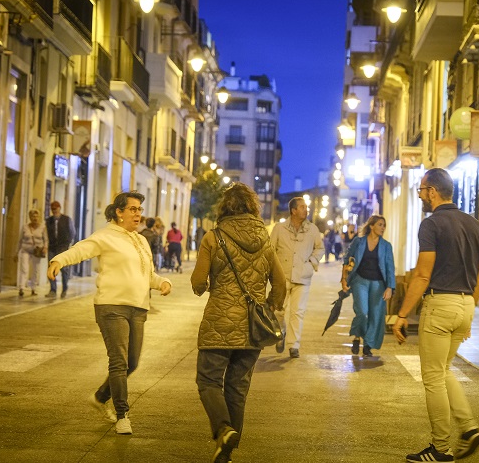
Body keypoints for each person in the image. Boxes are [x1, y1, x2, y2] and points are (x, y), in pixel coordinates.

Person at [47, 192, 172, 435]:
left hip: (138, 307)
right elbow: (80, 249)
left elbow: (148, 275)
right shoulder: (106, 236)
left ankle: (100, 396)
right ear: (119, 212)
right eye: (133, 209)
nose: (138, 214)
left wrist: (162, 282)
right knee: (119, 361)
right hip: (111, 306)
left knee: (132, 363)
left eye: (139, 209)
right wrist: (58, 261)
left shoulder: (141, 241)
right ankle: (122, 414)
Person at [393, 168, 479, 462]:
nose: (420, 195)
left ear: (433, 191)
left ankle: (441, 448)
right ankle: (469, 429)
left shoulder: (431, 225)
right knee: (444, 370)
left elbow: (422, 275)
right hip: (465, 304)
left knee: (433, 378)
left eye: (421, 190)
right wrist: (469, 310)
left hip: (440, 305)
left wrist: (402, 314)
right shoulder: (476, 226)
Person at [191, 183, 287, 463]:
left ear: (224, 208)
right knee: (237, 387)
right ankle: (226, 453)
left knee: (208, 380)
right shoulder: (265, 240)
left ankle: (223, 429)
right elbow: (279, 283)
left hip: (218, 323)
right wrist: (269, 305)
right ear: (252, 207)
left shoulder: (214, 236)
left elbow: (199, 282)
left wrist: (205, 288)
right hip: (253, 328)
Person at [270, 197, 324, 358]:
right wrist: (271, 271)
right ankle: (281, 332)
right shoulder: (279, 228)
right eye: (302, 207)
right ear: (293, 210)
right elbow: (270, 250)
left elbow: (320, 248)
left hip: (303, 276)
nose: (306, 210)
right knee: (278, 311)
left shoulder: (312, 229)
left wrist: (311, 263)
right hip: (282, 276)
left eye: (306, 207)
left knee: (298, 312)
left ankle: (294, 345)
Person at [340, 215, 395, 357]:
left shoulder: (386, 246)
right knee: (363, 313)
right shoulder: (359, 242)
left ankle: (368, 345)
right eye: (380, 224)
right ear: (371, 226)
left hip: (378, 284)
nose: (382, 228)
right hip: (360, 281)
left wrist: (390, 287)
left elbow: (390, 268)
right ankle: (357, 337)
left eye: (384, 225)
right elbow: (347, 259)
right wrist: (344, 279)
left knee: (376, 315)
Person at [45, 201, 75, 298]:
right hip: (52, 247)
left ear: (59, 208)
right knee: (51, 268)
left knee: (64, 270)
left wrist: (68, 243)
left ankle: (64, 289)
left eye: (55, 208)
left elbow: (72, 232)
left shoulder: (66, 219)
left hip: (63, 247)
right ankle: (53, 290)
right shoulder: (48, 221)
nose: (54, 210)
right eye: (52, 209)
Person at [16, 209, 48, 297]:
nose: (35, 218)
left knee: (35, 270)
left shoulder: (42, 227)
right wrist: (16, 252)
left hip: (37, 251)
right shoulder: (25, 227)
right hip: (25, 250)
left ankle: (33, 288)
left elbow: (45, 239)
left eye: (36, 216)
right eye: (33, 216)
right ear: (30, 217)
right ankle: (21, 288)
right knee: (24, 269)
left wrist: (45, 247)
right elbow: (20, 240)